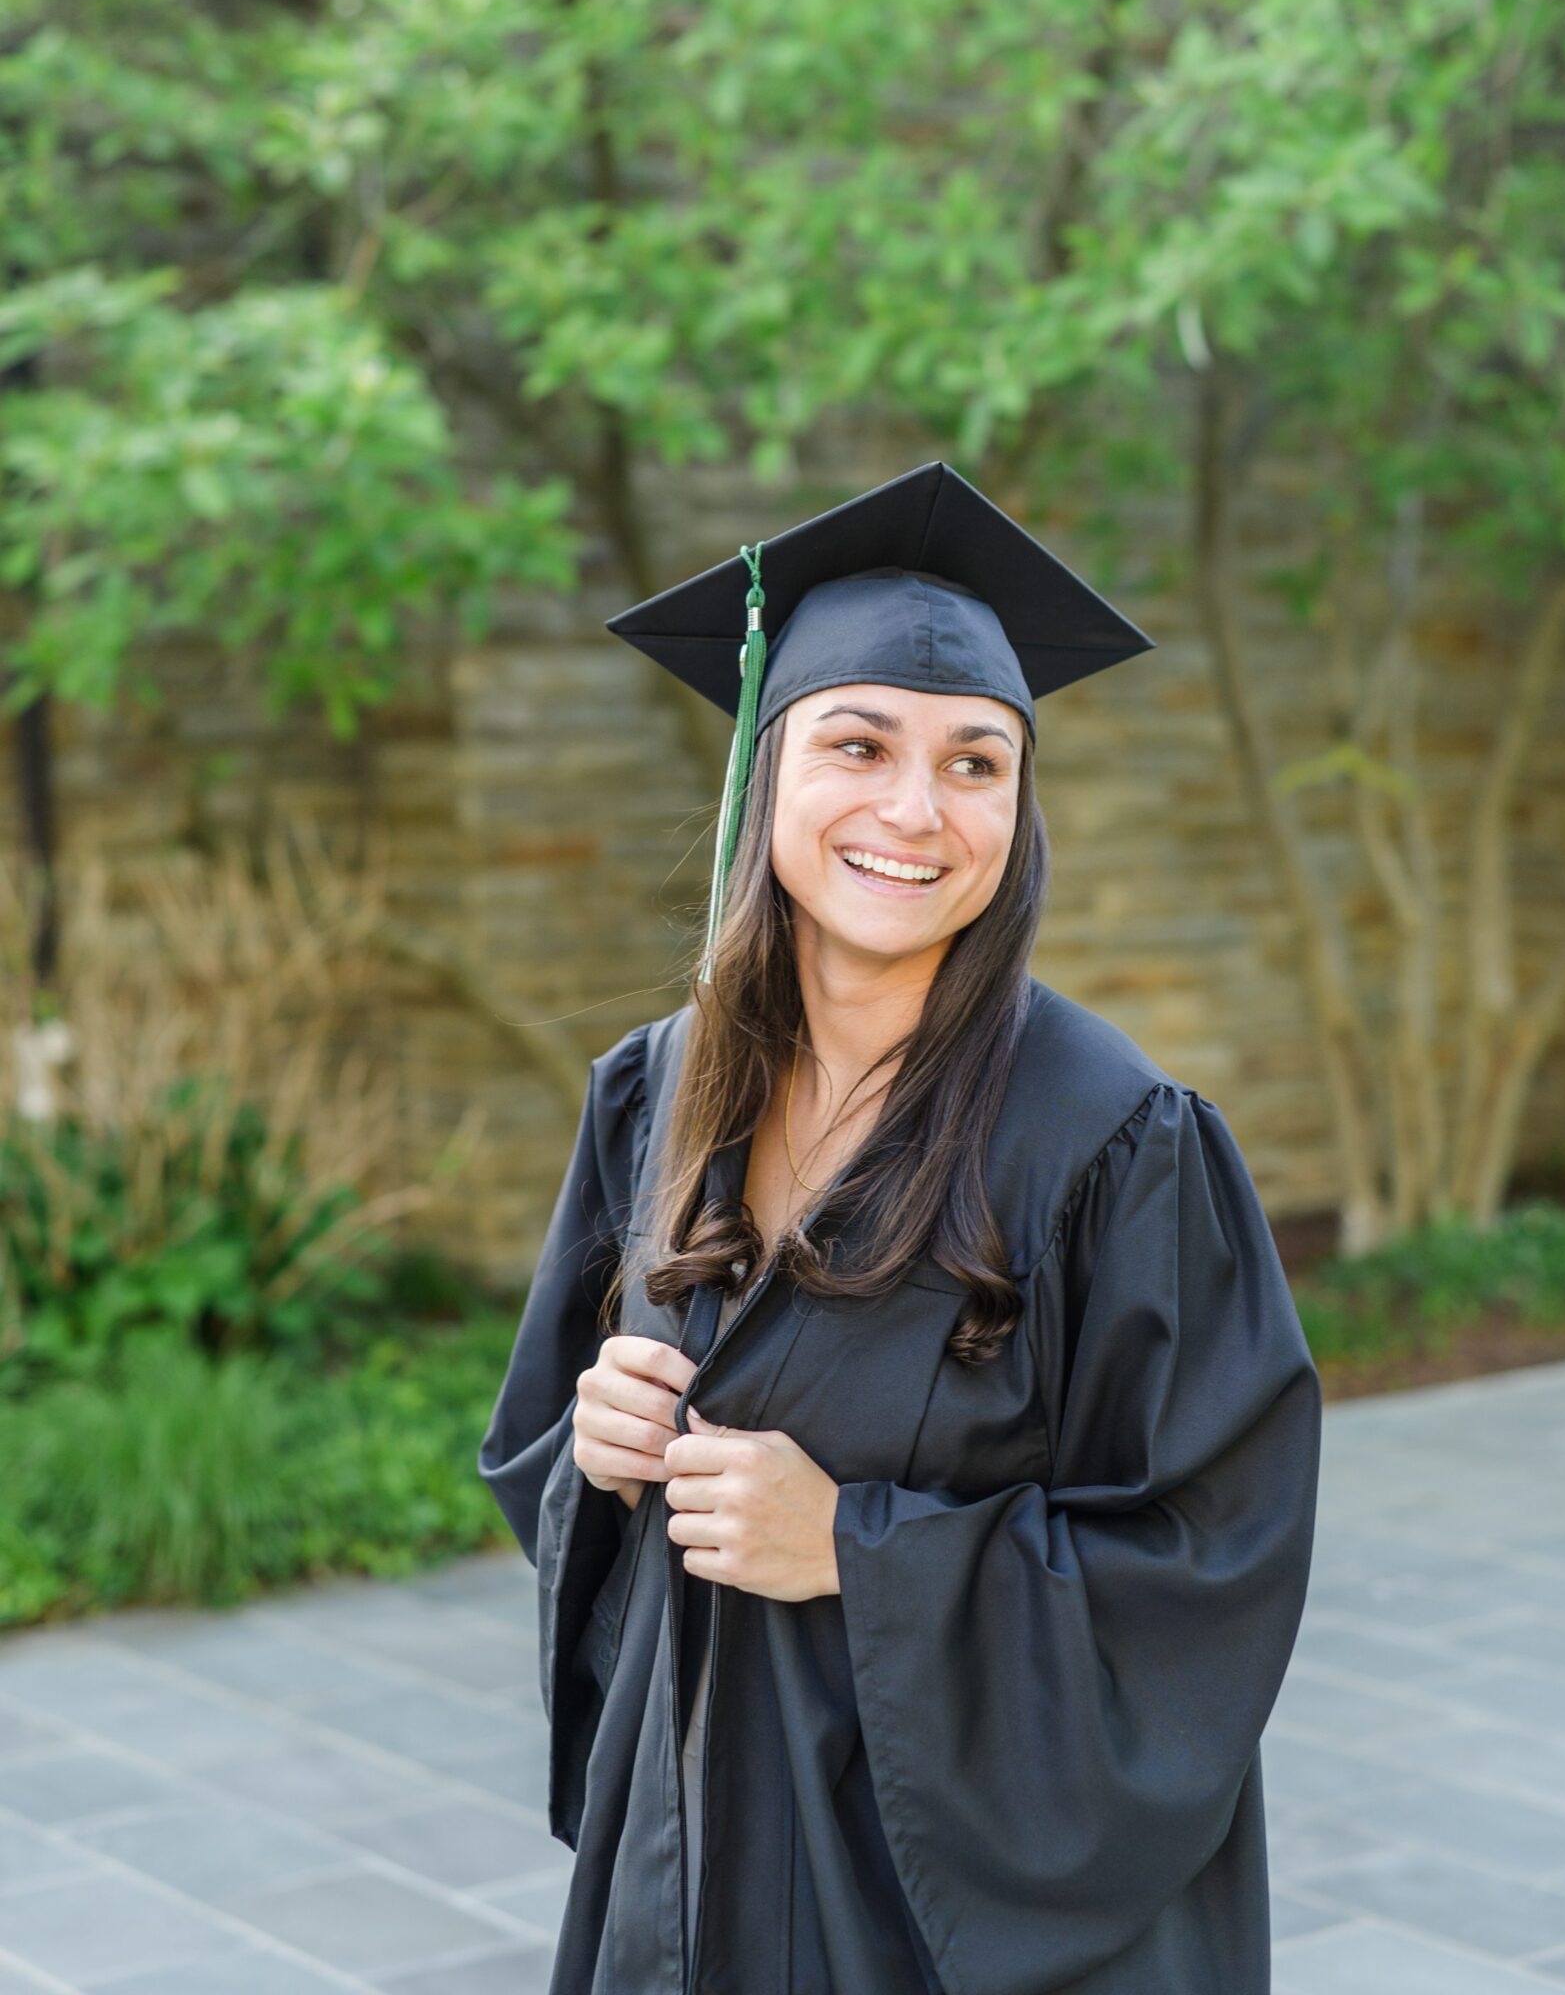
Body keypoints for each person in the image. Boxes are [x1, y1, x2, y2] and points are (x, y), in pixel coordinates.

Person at [479, 459, 1322, 1995]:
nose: (916, 811)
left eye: (977, 763)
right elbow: (545, 1446)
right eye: (858, 744)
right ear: (765, 774)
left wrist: (863, 1555)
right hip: (693, 1870)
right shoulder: (656, 1097)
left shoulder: (1116, 1140)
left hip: (955, 1924)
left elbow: (1213, 1563)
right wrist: (596, 1459)